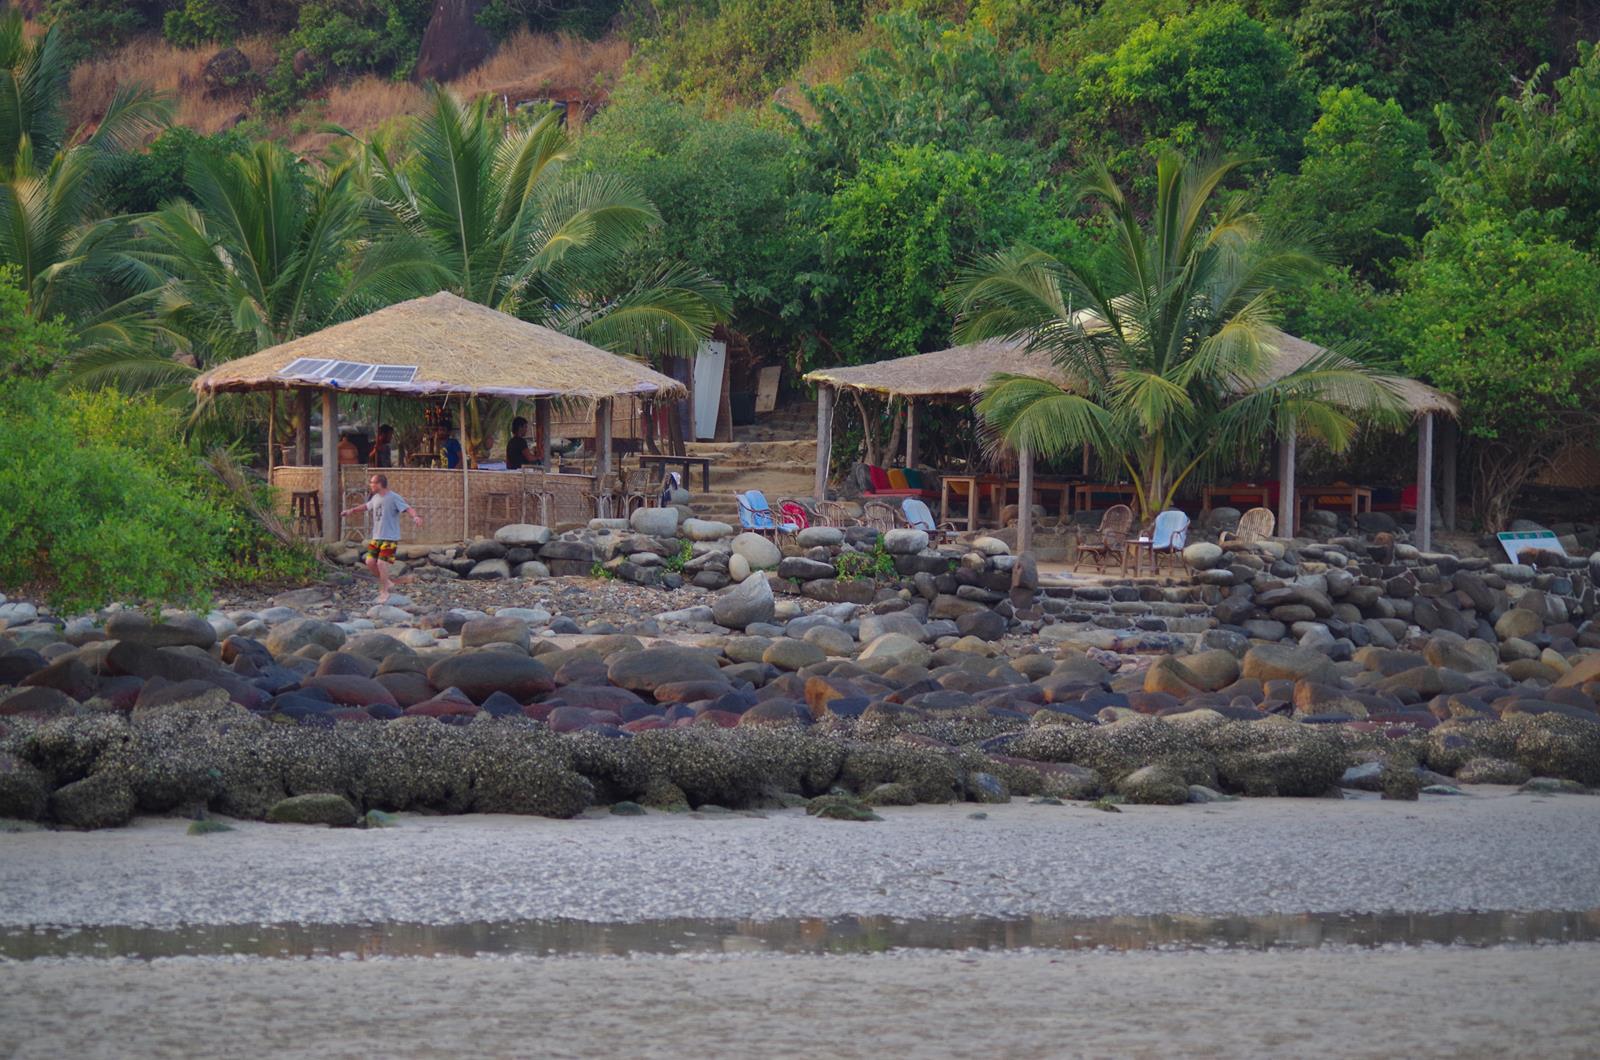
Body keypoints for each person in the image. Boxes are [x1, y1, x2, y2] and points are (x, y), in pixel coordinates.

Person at [341, 473, 422, 603]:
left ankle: (384, 591)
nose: (370, 485)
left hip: (390, 537)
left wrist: (415, 517)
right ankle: (388, 582)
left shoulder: (394, 497)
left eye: (372, 482)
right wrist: (351, 511)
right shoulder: (375, 497)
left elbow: (408, 508)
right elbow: (366, 506)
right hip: (377, 537)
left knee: (381, 563)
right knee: (369, 562)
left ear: (379, 484)